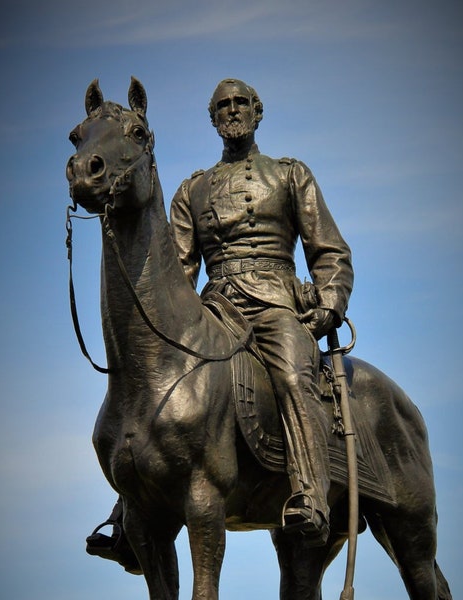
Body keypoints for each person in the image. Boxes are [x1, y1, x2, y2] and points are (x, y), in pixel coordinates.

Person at [87, 78, 353, 559]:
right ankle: (128, 511)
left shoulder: (291, 175)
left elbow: (330, 252)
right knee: (152, 392)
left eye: (240, 104)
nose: (232, 111)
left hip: (276, 304)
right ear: (212, 119)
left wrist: (331, 301)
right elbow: (178, 268)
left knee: (295, 376)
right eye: (222, 106)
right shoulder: (192, 189)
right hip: (217, 307)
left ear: (257, 111)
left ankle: (311, 493)